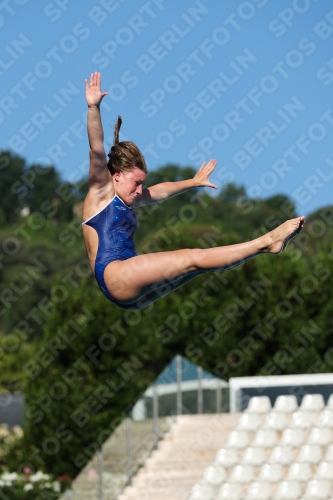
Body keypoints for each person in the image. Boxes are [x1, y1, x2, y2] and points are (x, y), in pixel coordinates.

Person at [82, 72, 305, 310]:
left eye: (142, 184)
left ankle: (265, 247)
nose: (140, 190)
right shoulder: (102, 192)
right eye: (136, 182)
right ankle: (267, 241)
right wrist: (93, 108)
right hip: (116, 275)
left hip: (130, 294)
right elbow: (97, 149)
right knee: (191, 257)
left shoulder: (127, 199)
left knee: (198, 267)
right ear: (116, 175)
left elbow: (160, 191)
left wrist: (193, 181)